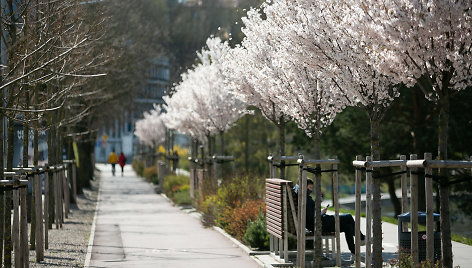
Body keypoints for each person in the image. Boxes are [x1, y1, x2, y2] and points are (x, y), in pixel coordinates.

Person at [295, 178, 365, 257]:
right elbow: (312, 218)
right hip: (321, 223)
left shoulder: (302, 195)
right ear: (304, 186)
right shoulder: (305, 199)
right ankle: (361, 238)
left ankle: (354, 252)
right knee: (348, 216)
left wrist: (320, 208)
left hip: (321, 221)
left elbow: (311, 214)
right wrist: (321, 212)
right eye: (310, 188)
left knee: (348, 226)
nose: (311, 190)